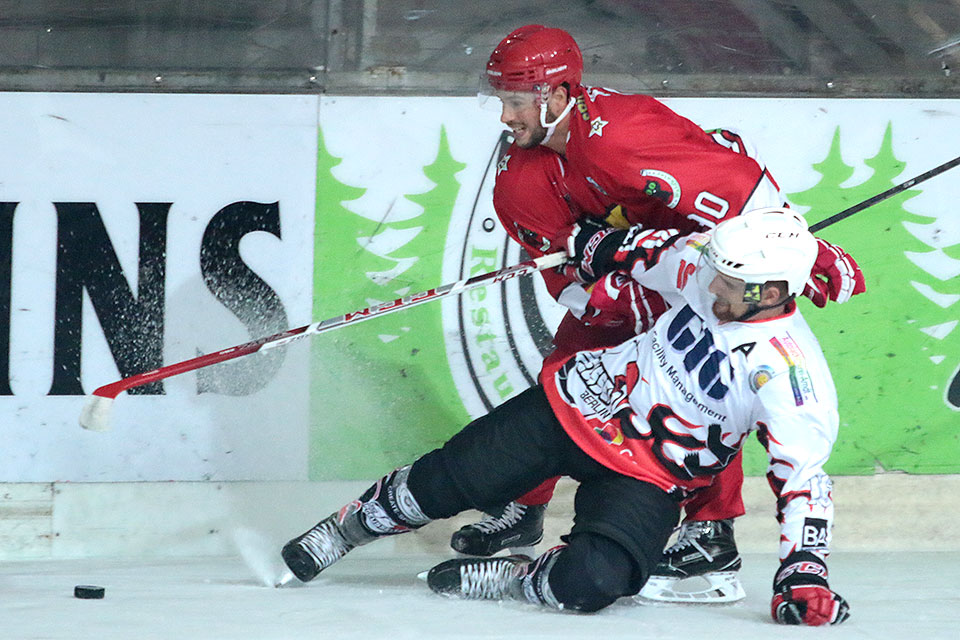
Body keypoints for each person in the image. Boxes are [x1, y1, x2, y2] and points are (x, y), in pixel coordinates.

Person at [448, 24, 865, 603]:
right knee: (565, 382)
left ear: (555, 94)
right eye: (502, 101)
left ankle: (709, 535)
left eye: (515, 101)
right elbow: (560, 277)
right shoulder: (519, 179)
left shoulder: (620, 137)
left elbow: (740, 188)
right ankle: (524, 505)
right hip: (620, 283)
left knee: (703, 396)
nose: (504, 117)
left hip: (692, 279)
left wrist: (802, 247)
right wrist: (605, 284)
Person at [279, 207, 851, 626]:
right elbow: (656, 252)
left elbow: (803, 480)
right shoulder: (709, 274)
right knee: (447, 480)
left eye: (727, 282)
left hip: (648, 473)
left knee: (595, 584)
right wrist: (601, 243)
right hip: (582, 401)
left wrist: (805, 569)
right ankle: (348, 528)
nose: (709, 283)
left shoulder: (791, 375)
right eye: (714, 271)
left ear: (771, 291)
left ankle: (517, 578)